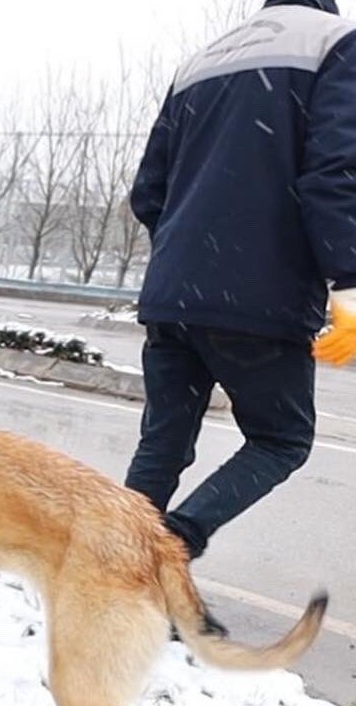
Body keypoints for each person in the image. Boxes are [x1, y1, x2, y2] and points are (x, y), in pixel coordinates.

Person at [125, 0, 356, 562]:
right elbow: (334, 176)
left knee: (163, 443)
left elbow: (147, 193)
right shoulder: (337, 43)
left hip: (172, 294)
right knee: (282, 439)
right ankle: (172, 548)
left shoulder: (201, 61)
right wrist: (349, 283)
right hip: (260, 297)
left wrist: (192, 262)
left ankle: (113, 572)